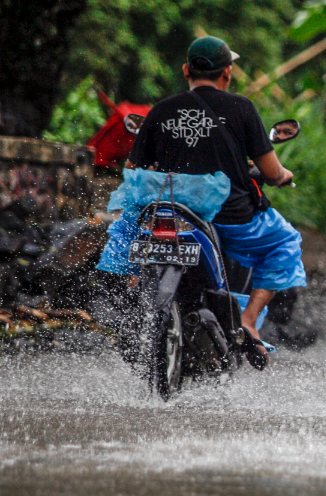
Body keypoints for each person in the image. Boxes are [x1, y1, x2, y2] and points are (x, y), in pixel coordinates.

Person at [97, 36, 305, 368]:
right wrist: (283, 176)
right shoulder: (242, 109)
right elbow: (270, 170)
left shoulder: (161, 111)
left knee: (127, 240)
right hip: (229, 216)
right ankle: (249, 321)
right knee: (286, 243)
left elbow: (134, 172)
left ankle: (132, 299)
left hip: (167, 211)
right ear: (228, 73)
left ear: (185, 71)